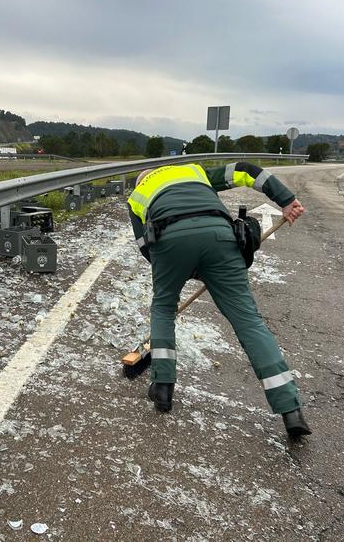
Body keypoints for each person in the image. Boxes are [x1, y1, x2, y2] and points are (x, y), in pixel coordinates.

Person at [127, 161, 311, 438]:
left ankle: (162, 388)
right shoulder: (194, 171)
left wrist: (179, 270)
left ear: (143, 181)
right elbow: (248, 170)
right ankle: (290, 408)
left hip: (169, 241)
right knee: (248, 321)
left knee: (163, 308)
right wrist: (286, 200)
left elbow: (145, 246)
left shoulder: (137, 196)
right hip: (220, 236)